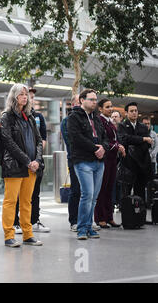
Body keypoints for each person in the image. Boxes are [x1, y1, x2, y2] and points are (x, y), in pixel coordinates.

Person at [0, 83, 44, 247]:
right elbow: (9, 143)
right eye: (21, 94)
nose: (25, 97)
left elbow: (39, 141)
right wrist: (27, 161)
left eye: (26, 94)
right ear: (14, 97)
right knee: (10, 202)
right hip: (15, 165)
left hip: (32, 166)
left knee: (27, 202)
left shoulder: (30, 117)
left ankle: (28, 234)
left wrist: (37, 161)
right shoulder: (7, 116)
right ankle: (9, 236)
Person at [67, 89, 109, 240]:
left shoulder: (97, 118)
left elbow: (105, 136)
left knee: (94, 197)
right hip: (83, 161)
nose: (94, 102)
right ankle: (82, 228)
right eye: (91, 99)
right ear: (82, 100)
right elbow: (76, 138)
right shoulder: (73, 117)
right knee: (87, 195)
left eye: (95, 99)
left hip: (99, 162)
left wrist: (103, 148)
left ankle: (89, 226)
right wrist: (95, 149)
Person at [13, 88, 50, 234]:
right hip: (20, 163)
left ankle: (34, 221)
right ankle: (16, 223)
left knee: (35, 193)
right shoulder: (13, 116)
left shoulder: (38, 117)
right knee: (17, 194)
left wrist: (36, 159)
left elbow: (42, 140)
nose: (29, 99)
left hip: (36, 163)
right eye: (25, 96)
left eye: (31, 97)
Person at [94, 99, 124, 228]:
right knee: (102, 188)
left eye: (111, 106)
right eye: (107, 107)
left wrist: (118, 145)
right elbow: (103, 139)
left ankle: (109, 216)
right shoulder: (99, 121)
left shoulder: (110, 121)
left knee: (110, 188)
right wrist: (117, 146)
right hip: (104, 158)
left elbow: (114, 139)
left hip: (112, 159)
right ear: (100, 108)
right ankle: (100, 217)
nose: (110, 109)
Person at [118, 102, 153, 202]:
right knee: (126, 194)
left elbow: (149, 143)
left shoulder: (143, 126)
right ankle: (126, 214)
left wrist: (137, 142)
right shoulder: (122, 126)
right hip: (128, 164)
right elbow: (124, 139)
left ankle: (140, 216)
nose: (134, 113)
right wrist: (142, 139)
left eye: (136, 111)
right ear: (126, 113)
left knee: (140, 192)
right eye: (131, 111)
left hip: (142, 164)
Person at [61, 95, 82, 232]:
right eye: (81, 100)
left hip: (88, 160)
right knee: (75, 190)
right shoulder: (66, 121)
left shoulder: (88, 119)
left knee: (87, 192)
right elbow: (70, 142)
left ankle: (85, 220)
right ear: (75, 103)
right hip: (75, 159)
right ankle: (73, 221)